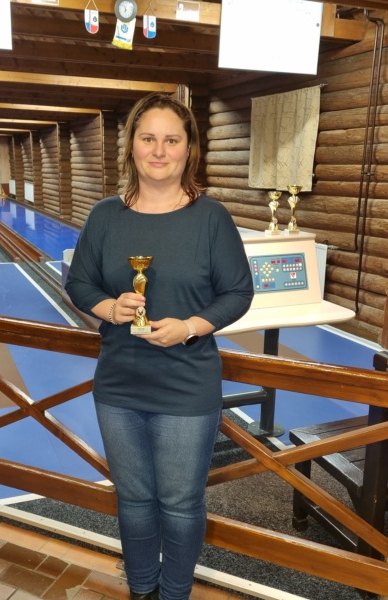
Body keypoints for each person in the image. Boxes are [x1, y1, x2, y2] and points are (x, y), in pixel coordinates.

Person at [65, 92, 254, 600]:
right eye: (148, 138)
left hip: (186, 384)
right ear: (131, 145)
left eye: (172, 140)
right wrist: (110, 308)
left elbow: (238, 292)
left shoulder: (211, 218)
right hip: (119, 383)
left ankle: (174, 592)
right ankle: (141, 588)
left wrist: (190, 325)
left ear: (189, 149)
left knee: (179, 502)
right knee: (133, 499)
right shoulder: (105, 216)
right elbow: (79, 282)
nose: (159, 150)